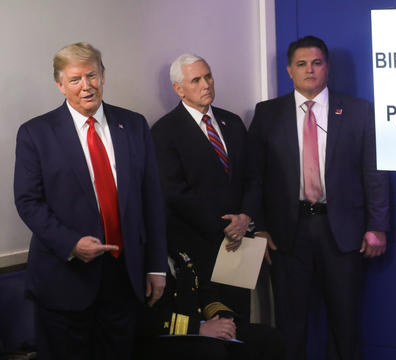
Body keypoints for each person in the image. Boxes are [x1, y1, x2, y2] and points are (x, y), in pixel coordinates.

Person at [13, 42, 167, 360]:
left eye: (92, 75)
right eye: (75, 79)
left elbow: (152, 199)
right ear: (60, 85)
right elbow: (28, 201)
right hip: (64, 279)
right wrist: (71, 243)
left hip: (124, 277)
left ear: (103, 76)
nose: (86, 86)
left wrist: (156, 267)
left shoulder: (134, 125)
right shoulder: (36, 133)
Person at [244, 35, 390, 360]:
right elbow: (254, 176)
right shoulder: (268, 114)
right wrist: (260, 227)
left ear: (327, 67)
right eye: (301, 64)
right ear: (289, 70)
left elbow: (374, 173)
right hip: (287, 235)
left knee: (345, 323)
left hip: (343, 233)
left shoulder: (357, 111)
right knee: (290, 325)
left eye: (316, 62)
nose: (309, 70)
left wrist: (377, 225)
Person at [151, 53, 252, 319]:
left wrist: (245, 217)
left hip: (241, 244)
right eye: (196, 80)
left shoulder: (233, 122)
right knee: (212, 330)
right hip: (198, 248)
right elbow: (174, 193)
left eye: (208, 76)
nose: (206, 84)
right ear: (178, 88)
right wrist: (225, 226)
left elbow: (252, 176)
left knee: (242, 323)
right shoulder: (164, 132)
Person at [135, 250, 284, 360]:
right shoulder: (139, 261)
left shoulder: (180, 253)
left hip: (200, 328)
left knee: (269, 337)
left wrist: (223, 319)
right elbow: (145, 319)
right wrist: (198, 328)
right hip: (166, 336)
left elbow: (205, 293)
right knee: (212, 351)